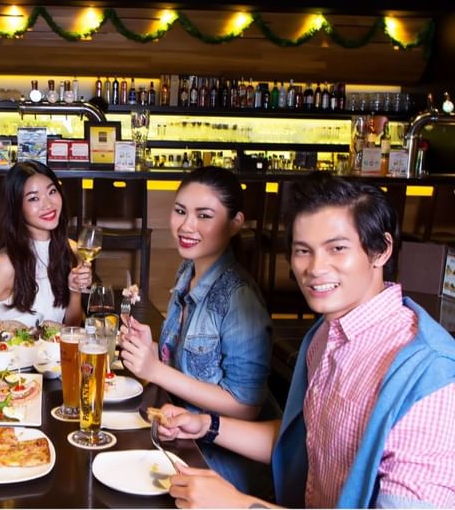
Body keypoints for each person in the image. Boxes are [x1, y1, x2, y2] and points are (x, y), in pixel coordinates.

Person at [158, 172, 455, 508]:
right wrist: (205, 425)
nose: (315, 268)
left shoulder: (431, 377)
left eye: (337, 248)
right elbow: (302, 442)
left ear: (381, 250)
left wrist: (238, 505)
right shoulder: (327, 334)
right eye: (303, 251)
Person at [119, 166, 275, 497]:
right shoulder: (188, 270)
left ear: (235, 223)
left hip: (221, 467)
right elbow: (187, 368)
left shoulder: (238, 296)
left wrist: (156, 371)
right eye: (180, 211)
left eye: (204, 215)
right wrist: (153, 349)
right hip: (180, 435)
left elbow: (245, 405)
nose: (187, 226)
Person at [0, 161, 91, 327]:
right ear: (17, 208)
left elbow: (72, 328)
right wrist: (8, 330)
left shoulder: (70, 249)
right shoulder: (5, 264)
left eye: (52, 191)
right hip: (12, 352)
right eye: (34, 198)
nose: (48, 205)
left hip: (58, 353)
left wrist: (75, 290)